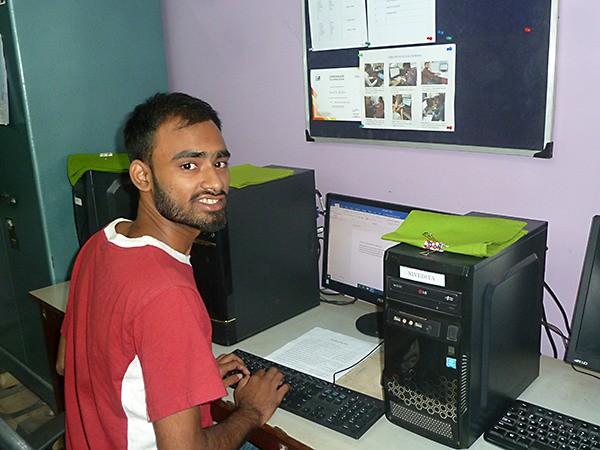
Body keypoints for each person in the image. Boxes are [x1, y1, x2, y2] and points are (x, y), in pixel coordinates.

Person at [57, 92, 289, 449]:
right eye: (189, 166)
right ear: (142, 176)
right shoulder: (168, 295)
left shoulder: (102, 243)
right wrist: (251, 411)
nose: (215, 183)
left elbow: (67, 363)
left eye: (219, 162)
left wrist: (175, 376)